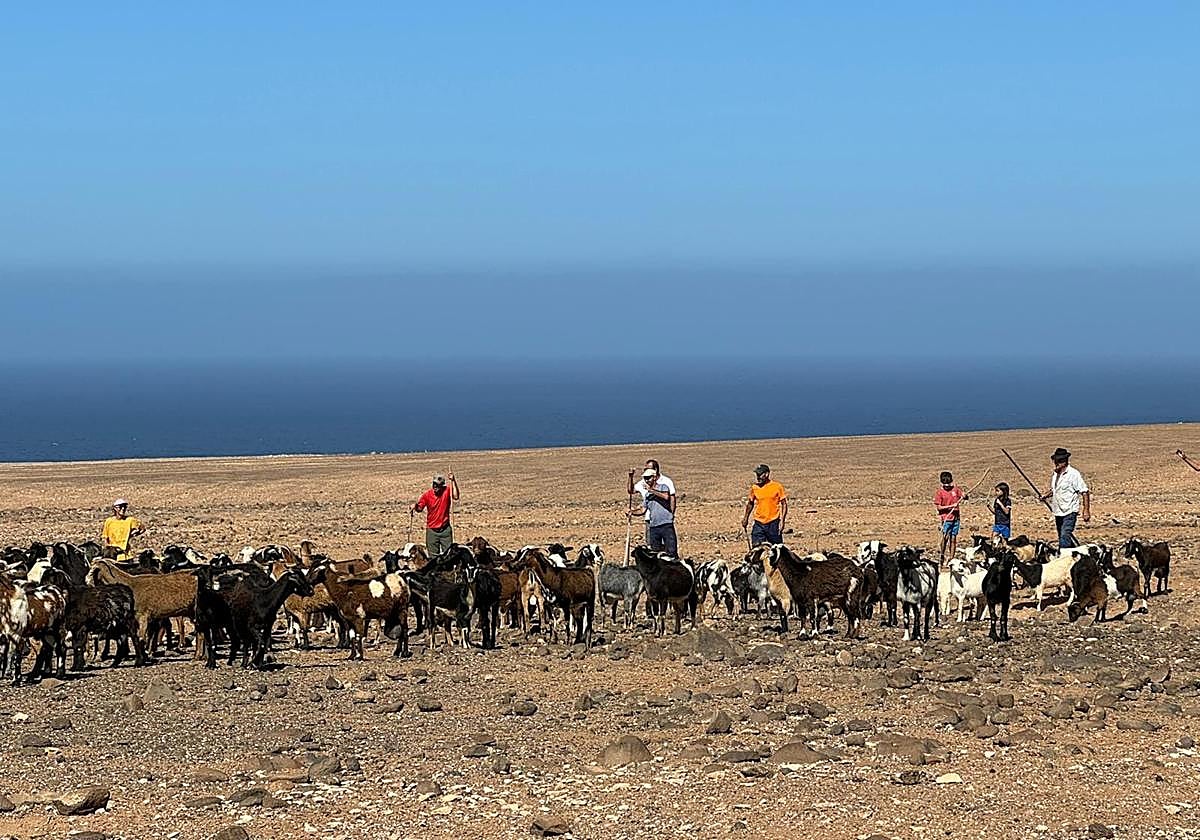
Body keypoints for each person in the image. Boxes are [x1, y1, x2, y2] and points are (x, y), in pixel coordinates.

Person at [1041, 448, 1089, 548]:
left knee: (1064, 535)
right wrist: (1046, 495)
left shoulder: (1073, 474)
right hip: (1058, 511)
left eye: (1058, 461)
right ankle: (1073, 553)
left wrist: (1086, 510)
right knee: (1062, 536)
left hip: (1069, 511)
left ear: (1064, 461)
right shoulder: (1055, 474)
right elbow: (1055, 489)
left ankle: (1064, 555)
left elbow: (1084, 491)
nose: (1055, 463)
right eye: (1055, 461)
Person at [628, 465, 678, 555]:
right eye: (645, 478)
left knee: (671, 551)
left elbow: (666, 497)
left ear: (654, 477)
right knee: (655, 552)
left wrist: (651, 490)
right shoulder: (647, 495)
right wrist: (632, 512)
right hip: (654, 526)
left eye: (648, 478)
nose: (646, 480)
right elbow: (643, 510)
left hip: (666, 524)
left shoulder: (663, 487)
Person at [412, 473, 460, 556]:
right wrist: (415, 506)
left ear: (442, 486)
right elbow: (420, 508)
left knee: (449, 555)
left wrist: (453, 481)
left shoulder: (447, 491)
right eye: (434, 484)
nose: (435, 486)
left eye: (437, 485)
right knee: (433, 557)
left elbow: (456, 496)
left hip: (445, 530)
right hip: (432, 530)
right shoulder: (427, 495)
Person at [742, 464, 788, 546]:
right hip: (759, 523)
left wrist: (782, 521)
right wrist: (745, 518)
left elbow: (784, 504)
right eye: (757, 475)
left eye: (760, 474)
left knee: (776, 548)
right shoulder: (755, 488)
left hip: (773, 523)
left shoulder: (777, 486)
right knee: (757, 548)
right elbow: (750, 503)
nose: (758, 477)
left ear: (767, 474)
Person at [934, 471, 966, 562]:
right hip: (946, 518)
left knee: (953, 538)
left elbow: (964, 496)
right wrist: (951, 506)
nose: (947, 486)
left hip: (956, 518)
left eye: (949, 484)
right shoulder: (939, 492)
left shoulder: (956, 489)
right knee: (945, 537)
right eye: (945, 484)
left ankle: (952, 558)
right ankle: (942, 555)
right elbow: (939, 507)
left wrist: (965, 496)